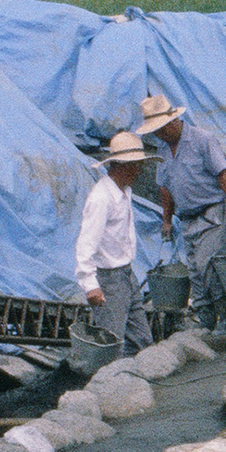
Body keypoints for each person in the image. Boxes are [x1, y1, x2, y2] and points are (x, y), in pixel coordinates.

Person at [137, 94, 226, 335]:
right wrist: (166, 220)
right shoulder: (163, 150)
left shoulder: (202, 139)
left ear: (172, 122)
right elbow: (164, 188)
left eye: (161, 130)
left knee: (210, 266)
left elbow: (223, 175)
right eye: (156, 132)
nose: (159, 135)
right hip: (188, 218)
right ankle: (206, 318)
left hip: (212, 212)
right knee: (195, 271)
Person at [76, 132, 154, 355]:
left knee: (141, 340)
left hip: (126, 273)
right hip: (108, 278)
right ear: (122, 166)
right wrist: (90, 284)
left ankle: (134, 371)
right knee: (111, 342)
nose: (139, 171)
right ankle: (108, 376)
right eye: (136, 165)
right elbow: (85, 244)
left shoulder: (124, 192)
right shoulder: (101, 198)